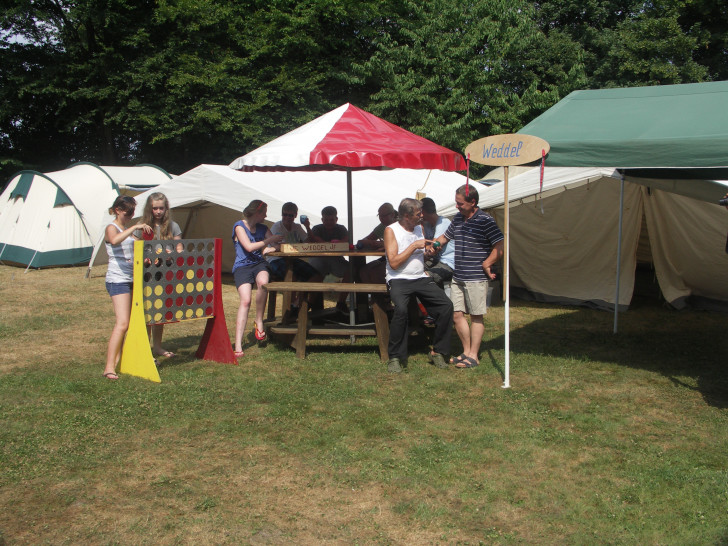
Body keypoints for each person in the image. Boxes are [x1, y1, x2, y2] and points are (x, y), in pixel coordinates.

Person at [433, 184, 504, 369]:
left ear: (473, 202)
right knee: (457, 314)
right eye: (456, 203)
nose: (457, 206)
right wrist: (432, 244)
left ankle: (474, 355)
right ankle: (466, 351)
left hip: (475, 277)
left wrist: (486, 263)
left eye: (460, 203)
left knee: (476, 316)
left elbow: (500, 246)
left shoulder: (485, 220)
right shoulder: (458, 219)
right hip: (459, 275)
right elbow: (444, 238)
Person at [384, 198, 453, 373]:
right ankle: (395, 357)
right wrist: (414, 245)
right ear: (406, 216)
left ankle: (438, 351)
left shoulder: (418, 228)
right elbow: (393, 263)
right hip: (399, 278)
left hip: (420, 277)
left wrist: (429, 252)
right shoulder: (391, 230)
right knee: (400, 310)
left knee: (446, 306)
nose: (421, 216)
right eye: (418, 214)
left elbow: (421, 256)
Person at [103, 196, 152, 380]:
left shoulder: (126, 230)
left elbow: (136, 248)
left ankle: (123, 359)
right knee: (122, 323)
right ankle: (109, 367)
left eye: (133, 213)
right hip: (118, 280)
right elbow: (114, 240)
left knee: (131, 323)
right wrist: (134, 227)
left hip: (132, 279)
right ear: (117, 210)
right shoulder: (112, 228)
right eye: (128, 212)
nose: (131, 216)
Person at [232, 200, 283, 358]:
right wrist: (268, 242)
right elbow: (248, 247)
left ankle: (259, 320)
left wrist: (271, 247)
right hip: (242, 266)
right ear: (256, 212)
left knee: (263, 282)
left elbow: (279, 244)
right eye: (264, 212)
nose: (266, 216)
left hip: (259, 264)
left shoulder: (263, 228)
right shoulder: (239, 226)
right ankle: (238, 344)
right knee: (245, 300)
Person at [137, 192, 182, 358]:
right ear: (150, 208)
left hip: (164, 273)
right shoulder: (141, 225)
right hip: (146, 273)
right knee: (146, 311)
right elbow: (135, 249)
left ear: (166, 208)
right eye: (155, 208)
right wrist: (146, 258)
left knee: (160, 311)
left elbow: (179, 249)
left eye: (161, 208)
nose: (158, 211)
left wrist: (171, 255)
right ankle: (144, 346)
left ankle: (157, 347)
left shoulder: (173, 226)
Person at [267, 202, 321, 312]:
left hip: (293, 259)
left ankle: (299, 304)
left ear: (295, 215)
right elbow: (278, 247)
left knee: (318, 277)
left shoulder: (297, 227)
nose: (287, 217)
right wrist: (297, 247)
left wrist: (307, 226)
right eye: (284, 214)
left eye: (290, 215)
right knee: (291, 277)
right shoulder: (277, 226)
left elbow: (309, 241)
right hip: (276, 259)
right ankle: (292, 308)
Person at [308, 205, 351, 312]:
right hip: (318, 258)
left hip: (336, 260)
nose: (328, 222)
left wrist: (335, 244)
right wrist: (335, 244)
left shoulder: (341, 228)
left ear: (336, 219)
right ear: (322, 219)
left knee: (351, 271)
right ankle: (310, 303)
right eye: (326, 220)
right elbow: (316, 240)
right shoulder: (317, 228)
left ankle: (341, 302)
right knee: (313, 273)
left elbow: (347, 240)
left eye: (331, 220)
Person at [358, 202, 397, 285]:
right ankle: (377, 296)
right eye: (379, 216)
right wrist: (370, 242)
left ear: (392, 214)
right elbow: (364, 241)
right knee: (363, 271)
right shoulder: (382, 226)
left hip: (399, 259)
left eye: (384, 216)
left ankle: (385, 296)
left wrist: (383, 244)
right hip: (386, 258)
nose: (381, 218)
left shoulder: (401, 225)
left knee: (375, 272)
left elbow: (402, 244)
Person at [421, 197, 454, 290]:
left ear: (422, 212)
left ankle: (440, 302)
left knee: (427, 276)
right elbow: (426, 245)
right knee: (413, 269)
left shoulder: (443, 223)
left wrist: (425, 252)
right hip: (434, 259)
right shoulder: (427, 224)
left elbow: (432, 248)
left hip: (448, 262)